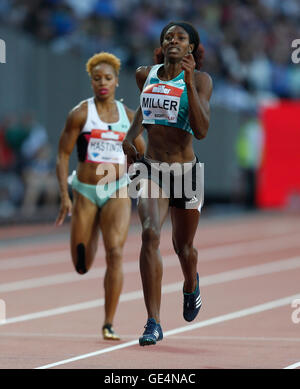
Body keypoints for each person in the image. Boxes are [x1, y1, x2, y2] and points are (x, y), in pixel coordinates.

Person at [122, 21, 213, 346]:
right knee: (149, 234)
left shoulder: (201, 80)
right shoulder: (144, 74)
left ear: (191, 48)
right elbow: (142, 114)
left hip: (186, 172)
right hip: (151, 170)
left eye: (181, 37)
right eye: (168, 36)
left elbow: (202, 130)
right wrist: (130, 137)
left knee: (183, 248)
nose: (173, 40)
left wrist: (188, 82)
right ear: (162, 44)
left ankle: (191, 284)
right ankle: (153, 322)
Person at [55, 52, 145, 340]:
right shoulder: (81, 113)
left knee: (116, 253)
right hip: (85, 190)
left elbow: (143, 155)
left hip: (116, 190)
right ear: (91, 82)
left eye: (108, 78)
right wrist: (64, 196)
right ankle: (91, 226)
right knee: (82, 266)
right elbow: (63, 154)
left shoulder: (128, 116)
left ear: (117, 81)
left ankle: (109, 322)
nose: (103, 83)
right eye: (97, 79)